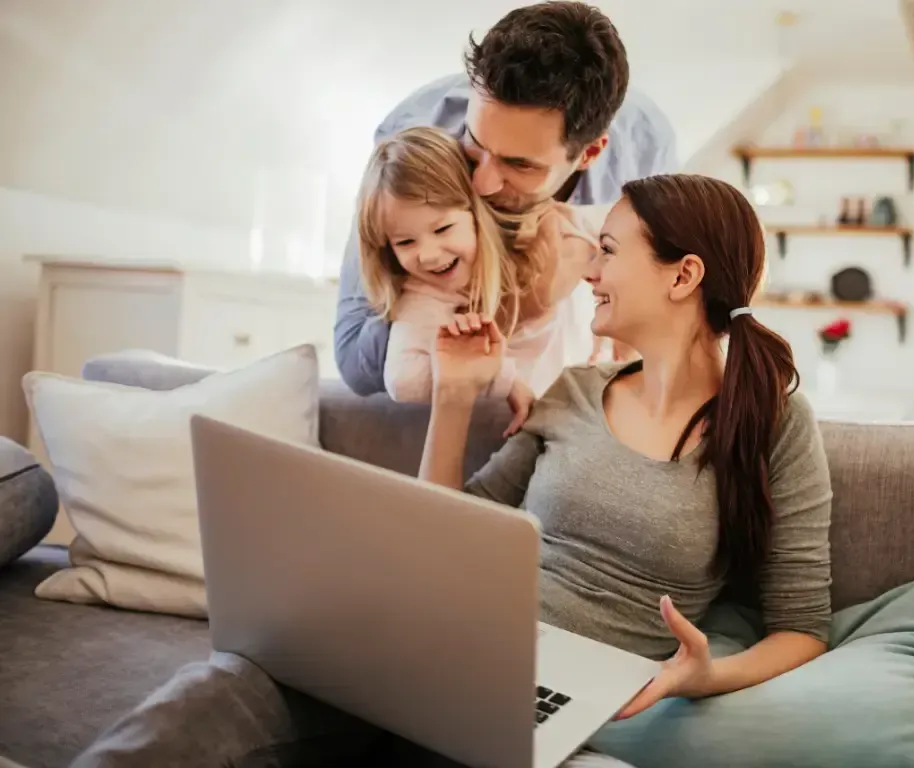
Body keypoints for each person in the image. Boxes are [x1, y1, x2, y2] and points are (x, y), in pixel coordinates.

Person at [72, 174, 832, 767]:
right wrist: (458, 396)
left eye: (608, 249)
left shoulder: (771, 425)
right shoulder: (573, 392)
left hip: (556, 694)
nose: (589, 270)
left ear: (682, 274)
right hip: (434, 637)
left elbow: (801, 628)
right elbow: (447, 529)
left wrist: (702, 679)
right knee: (217, 696)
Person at [335, 1, 678, 397]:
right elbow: (355, 361)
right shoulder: (411, 140)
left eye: (520, 165)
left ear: (589, 153)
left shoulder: (644, 149)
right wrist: (515, 306)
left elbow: (657, 316)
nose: (480, 184)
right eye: (474, 144)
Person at [357, 125, 598, 433]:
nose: (428, 255)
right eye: (405, 242)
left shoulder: (542, 230)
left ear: (476, 212)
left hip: (587, 399)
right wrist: (503, 380)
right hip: (532, 426)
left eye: (442, 229)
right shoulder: (424, 294)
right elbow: (403, 379)